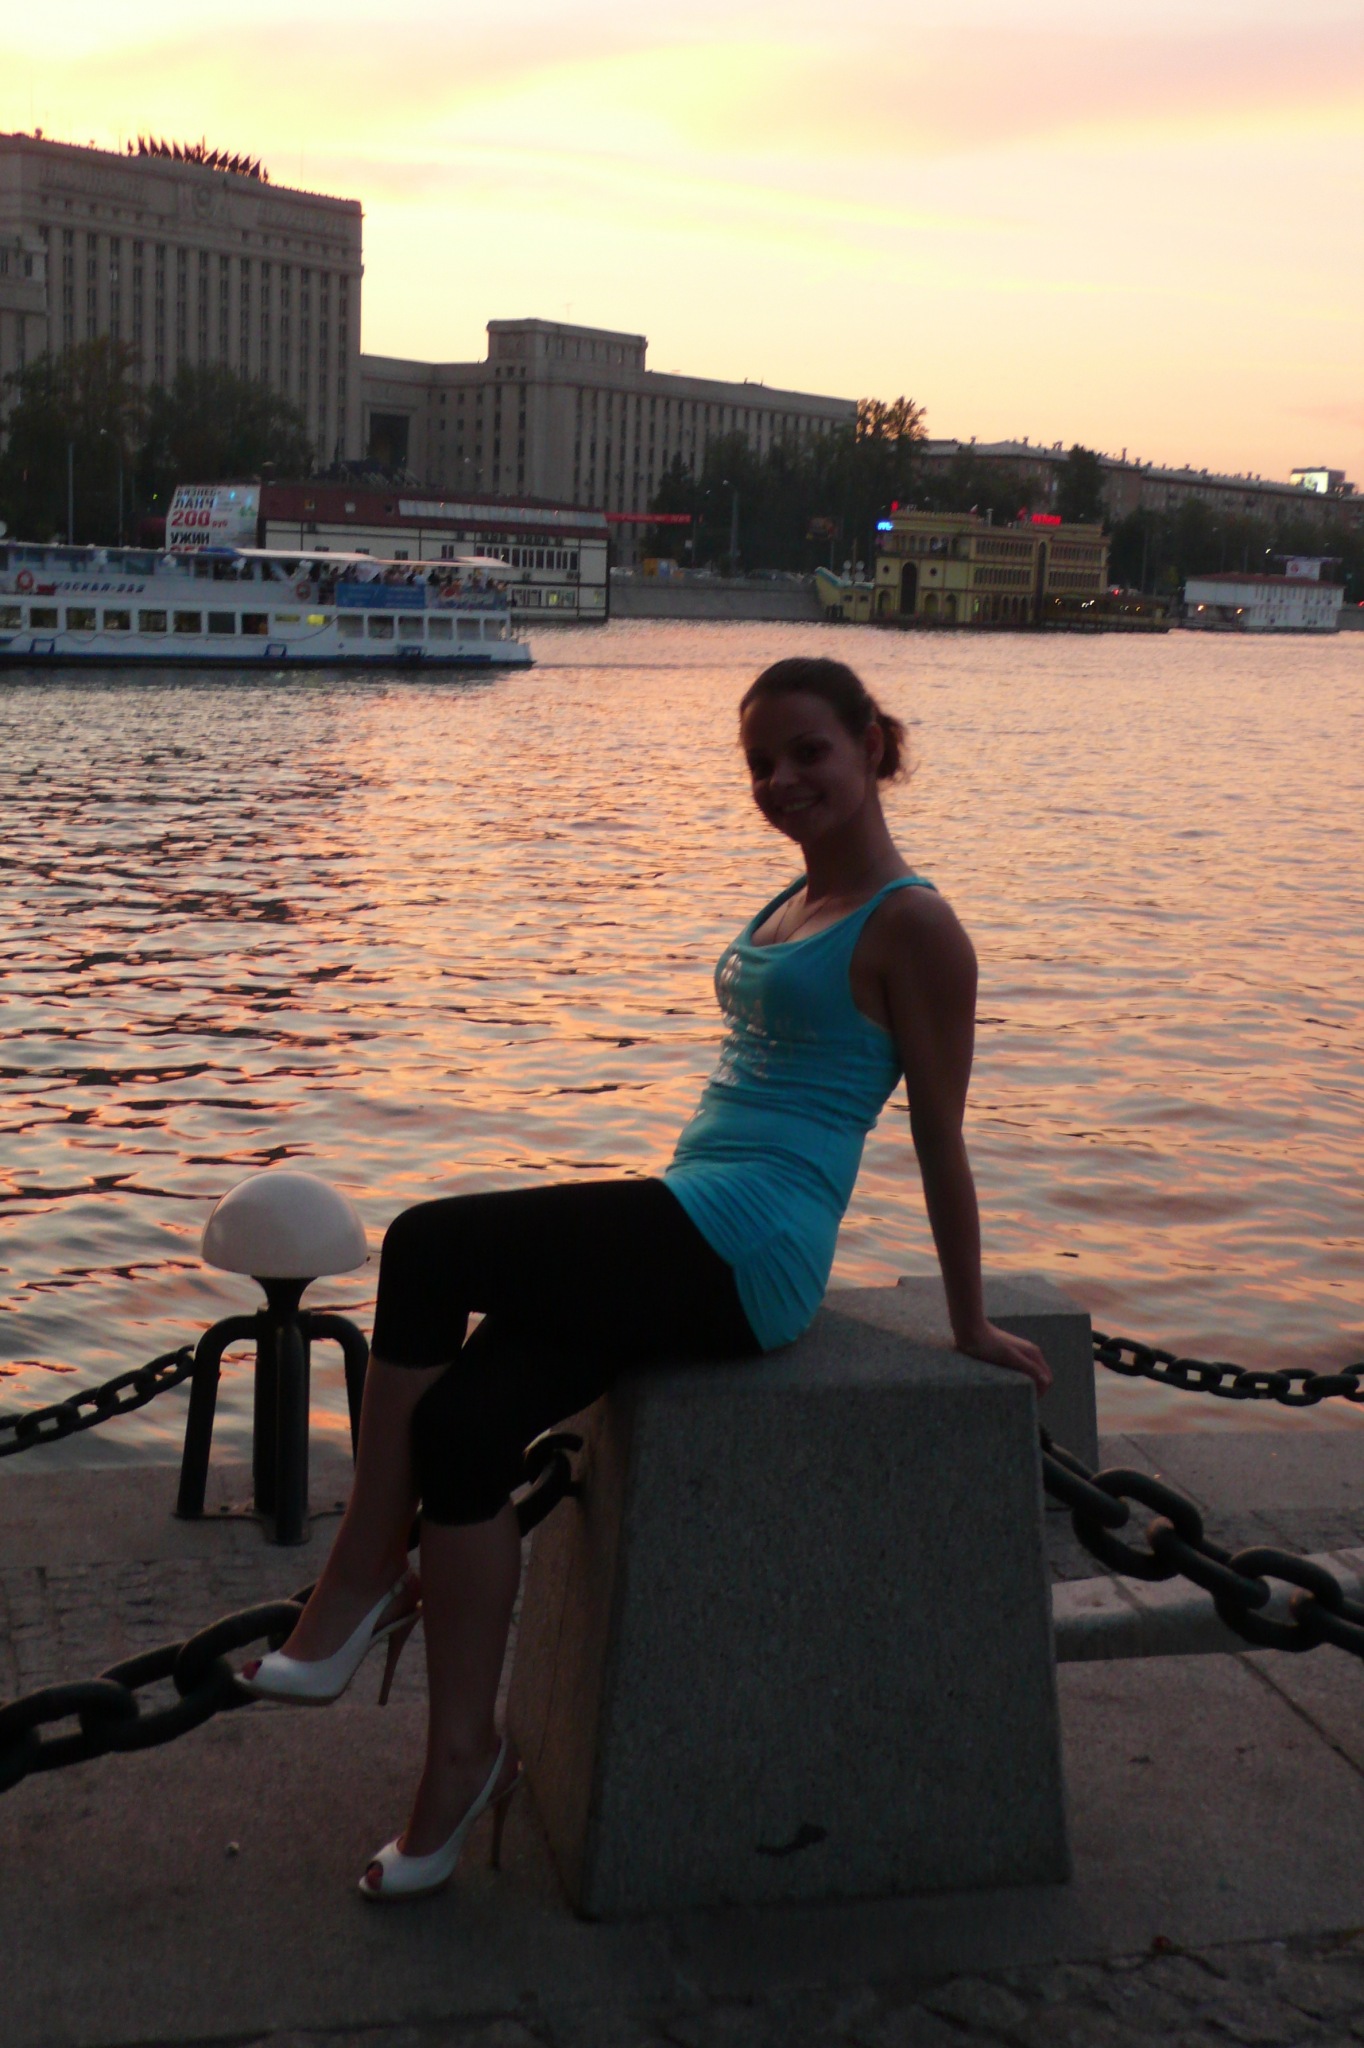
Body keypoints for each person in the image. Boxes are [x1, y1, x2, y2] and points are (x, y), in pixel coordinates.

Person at [241, 654, 1051, 1901]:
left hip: (751, 1244)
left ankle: (357, 1570)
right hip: (688, 1210)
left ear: (870, 744)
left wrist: (968, 1320)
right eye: (760, 763)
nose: (781, 779)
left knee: (428, 1243)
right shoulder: (795, 899)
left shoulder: (914, 924)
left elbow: (940, 1134)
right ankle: (461, 1763)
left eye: (808, 752)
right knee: (463, 1426)